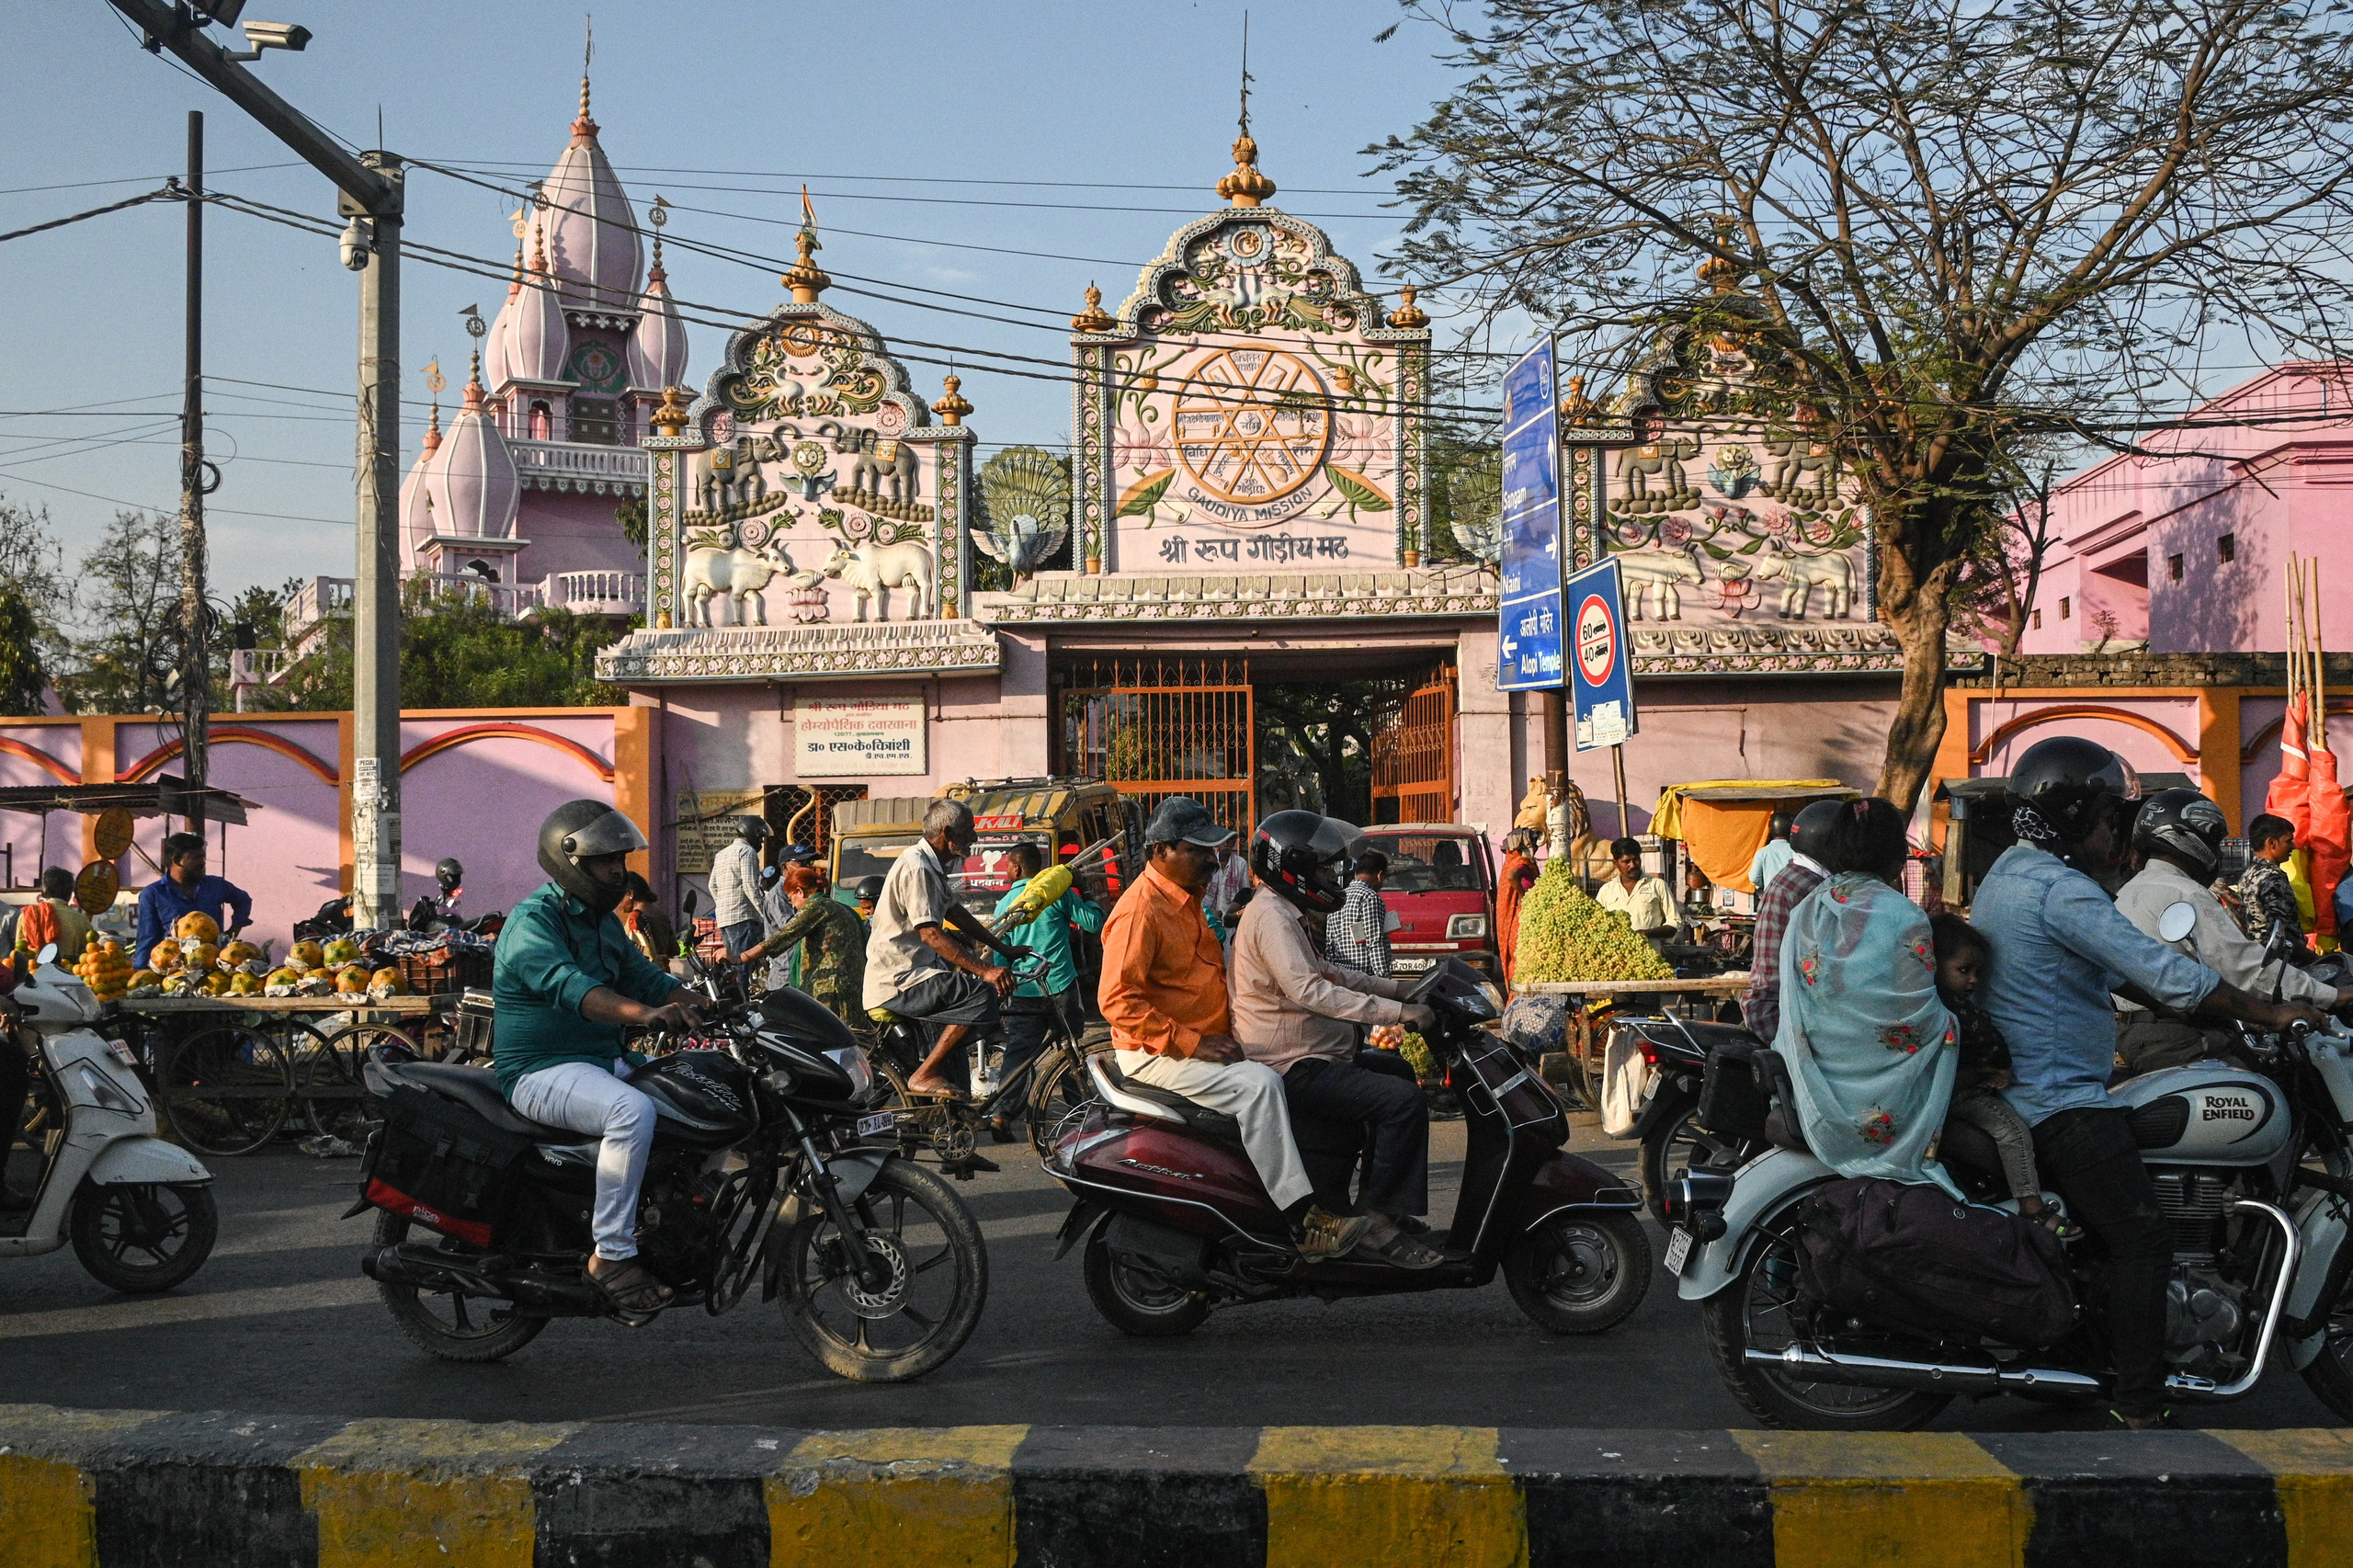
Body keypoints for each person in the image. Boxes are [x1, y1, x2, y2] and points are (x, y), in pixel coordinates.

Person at [1971, 735, 2327, 1428]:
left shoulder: (2012, 873)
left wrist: (2181, 999)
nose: (2115, 836)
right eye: (2107, 819)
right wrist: (2269, 1010)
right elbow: (2165, 969)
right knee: (2142, 1238)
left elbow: (2122, 974)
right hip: (2056, 1099)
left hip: (2043, 1089)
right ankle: (2138, 1405)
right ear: (2072, 816)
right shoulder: (2060, 889)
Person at [1097, 795, 1371, 1260]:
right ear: (1160, 850)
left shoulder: (1188, 899)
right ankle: (1302, 1219)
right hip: (1158, 1052)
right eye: (1198, 849)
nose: (1211, 858)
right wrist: (1194, 1043)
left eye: (1213, 848)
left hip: (1208, 1042)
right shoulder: (1140, 910)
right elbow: (1117, 1001)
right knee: (1260, 1086)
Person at [493, 801, 702, 1318]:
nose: (617, 869)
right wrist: (646, 1014)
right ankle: (611, 1254)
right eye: (605, 860)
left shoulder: (602, 923)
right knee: (631, 1113)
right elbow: (574, 990)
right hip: (538, 1070)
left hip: (599, 1060)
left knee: (700, 1095)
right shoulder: (532, 923)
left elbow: (649, 979)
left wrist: (716, 1005)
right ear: (570, 862)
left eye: (620, 858)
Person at [1233, 811, 1444, 1269]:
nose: (1332, 877)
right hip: (1294, 1064)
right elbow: (1310, 991)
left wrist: (1398, 988)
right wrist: (1400, 1013)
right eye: (1324, 869)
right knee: (1401, 1101)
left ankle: (1376, 1204)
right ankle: (1378, 1223)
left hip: (1318, 1054)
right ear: (1293, 868)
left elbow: (1328, 972)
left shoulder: (1285, 911)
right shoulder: (1271, 917)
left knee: (1398, 1071)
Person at [1776, 797, 1963, 1195]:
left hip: (1817, 1077)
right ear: (1898, 858)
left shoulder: (1805, 910)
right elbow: (1917, 1018)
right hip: (1879, 1092)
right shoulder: (1905, 915)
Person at [2114, 790, 2351, 1073]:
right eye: (2214, 841)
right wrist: (2330, 995)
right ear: (2188, 840)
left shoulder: (2129, 891)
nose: (2217, 852)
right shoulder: (2183, 892)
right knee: (2267, 1096)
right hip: (2177, 1036)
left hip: (2140, 1032)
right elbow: (2244, 968)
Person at [1930, 914, 2076, 1237]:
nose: (1973, 981)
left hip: (1949, 1091)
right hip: (1960, 1094)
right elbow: (1986, 1041)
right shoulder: (1953, 1010)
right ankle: (2032, 1206)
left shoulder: (1932, 1004)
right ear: (1935, 964)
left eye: (1977, 973)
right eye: (1963, 971)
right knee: (2012, 1131)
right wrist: (1997, 1066)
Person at [863, 797, 1018, 1100]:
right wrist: (986, 971)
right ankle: (924, 1074)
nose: (974, 839)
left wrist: (1002, 947)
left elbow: (955, 912)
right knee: (980, 994)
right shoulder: (918, 868)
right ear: (948, 834)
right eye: (969, 832)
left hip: (920, 974)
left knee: (958, 1041)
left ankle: (954, 1116)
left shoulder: (929, 866)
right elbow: (931, 935)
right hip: (901, 979)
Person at [987, 841, 1105, 1139]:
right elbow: (1094, 923)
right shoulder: (1059, 895)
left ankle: (1001, 1115)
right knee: (1071, 1050)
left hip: (1024, 991)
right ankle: (1082, 1110)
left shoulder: (1006, 906)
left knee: (1018, 1055)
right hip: (1061, 985)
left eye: (1006, 867)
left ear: (1017, 868)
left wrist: (1006, 988)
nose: (1005, 871)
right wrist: (1085, 891)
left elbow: (1001, 957)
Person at [1741, 799, 1840, 1041]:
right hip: (1783, 1022)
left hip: (1776, 1014)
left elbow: (1753, 879)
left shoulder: (1790, 873)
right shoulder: (1812, 889)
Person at [747, 865, 870, 1032]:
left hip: (832, 989)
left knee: (831, 1036)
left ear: (800, 891)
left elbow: (783, 936)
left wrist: (742, 957)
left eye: (792, 899)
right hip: (849, 985)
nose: (794, 906)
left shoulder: (816, 907)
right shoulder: (834, 906)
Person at [133, 833, 252, 967]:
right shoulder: (153, 894)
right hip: (174, 969)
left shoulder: (216, 885)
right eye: (197, 857)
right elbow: (147, 937)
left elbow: (243, 900)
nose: (203, 862)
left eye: (203, 857)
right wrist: (140, 971)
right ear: (178, 860)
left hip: (214, 965)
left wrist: (233, 931)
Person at [2236, 813, 2305, 956]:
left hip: (2258, 957)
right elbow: (2282, 933)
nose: (2293, 846)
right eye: (2288, 841)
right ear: (2272, 843)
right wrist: (2311, 958)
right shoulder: (2273, 879)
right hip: (2282, 962)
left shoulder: (2248, 875)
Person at [707, 816, 767, 969]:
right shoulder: (747, 852)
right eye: (761, 837)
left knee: (731, 965)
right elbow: (750, 886)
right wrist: (764, 913)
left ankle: (732, 993)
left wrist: (723, 904)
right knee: (742, 963)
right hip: (743, 916)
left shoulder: (721, 854)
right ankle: (742, 993)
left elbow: (712, 885)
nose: (761, 842)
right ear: (752, 834)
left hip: (724, 917)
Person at [1326, 848, 1396, 976]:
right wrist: (1384, 980)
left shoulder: (1339, 896)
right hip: (1365, 980)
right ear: (1380, 875)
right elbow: (1375, 942)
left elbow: (1330, 945)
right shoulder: (1370, 897)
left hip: (1342, 977)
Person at [1596, 836, 1676, 937]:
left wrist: (1647, 933)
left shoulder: (1658, 885)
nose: (1632, 865)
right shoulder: (1606, 891)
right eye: (1626, 861)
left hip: (1649, 950)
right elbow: (1597, 923)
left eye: (1636, 859)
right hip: (1618, 951)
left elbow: (1674, 923)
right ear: (1615, 863)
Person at [17, 868, 94, 965]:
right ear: (70, 893)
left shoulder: (27, 916)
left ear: (44, 890)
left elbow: (19, 953)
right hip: (71, 976)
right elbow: (88, 958)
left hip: (33, 976)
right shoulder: (82, 920)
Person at [1495, 828, 1540, 984]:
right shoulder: (1520, 863)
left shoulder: (1516, 862)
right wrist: (1523, 894)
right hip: (1520, 920)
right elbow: (1512, 877)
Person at [615, 872, 675, 965]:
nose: (618, 903)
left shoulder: (635, 918)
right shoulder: (661, 915)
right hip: (664, 972)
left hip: (646, 974)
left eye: (620, 896)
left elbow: (634, 956)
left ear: (630, 894)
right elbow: (675, 949)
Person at [408, 858, 465, 932]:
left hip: (456, 929)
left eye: (457, 877)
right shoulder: (438, 897)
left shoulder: (457, 896)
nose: (456, 880)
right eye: (453, 877)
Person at [1749, 809, 1797, 895]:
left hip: (1770, 898)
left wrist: (1766, 885)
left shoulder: (1762, 853)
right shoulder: (1795, 852)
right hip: (1791, 899)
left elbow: (1754, 877)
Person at [1204, 836, 1251, 925]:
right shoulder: (1210, 862)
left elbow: (1244, 892)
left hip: (1229, 919)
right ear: (1218, 844)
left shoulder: (1241, 864)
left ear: (1233, 844)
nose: (1226, 844)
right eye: (1223, 842)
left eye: (1229, 842)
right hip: (1208, 916)